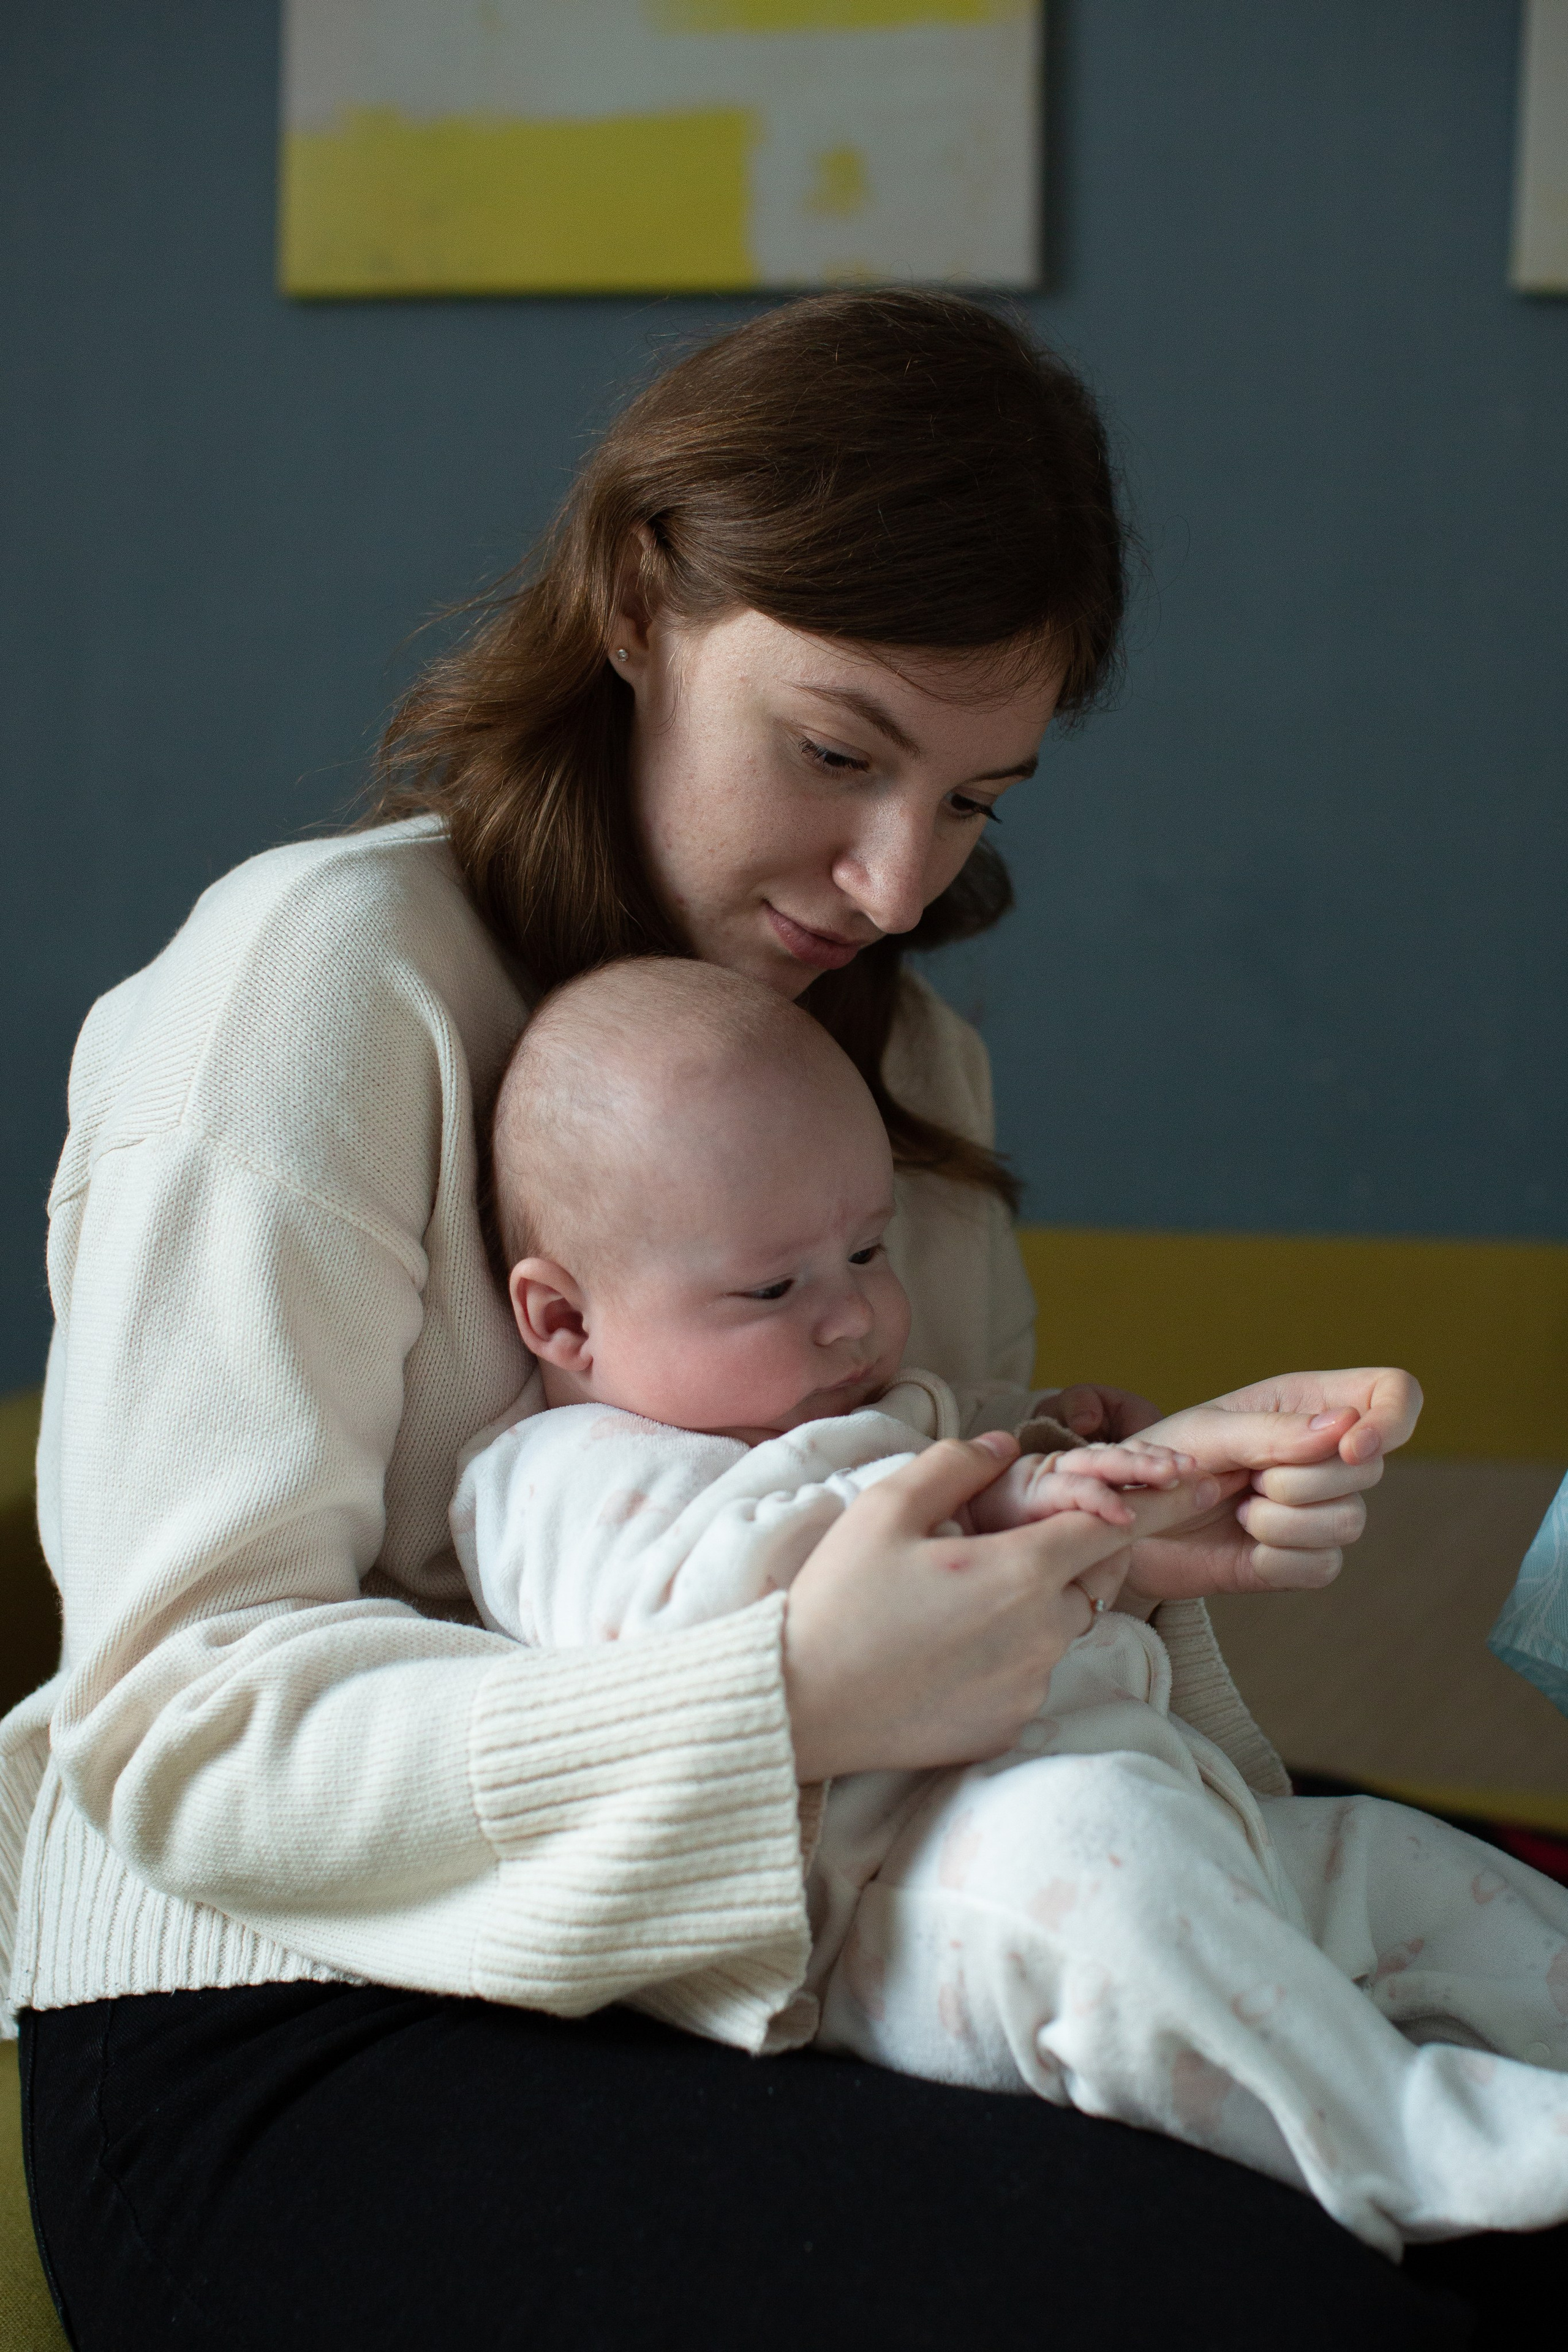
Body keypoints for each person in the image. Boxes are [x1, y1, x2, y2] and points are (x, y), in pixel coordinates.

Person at [2, 290, 1530, 2348]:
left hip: (806, 1939)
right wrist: (789, 1694)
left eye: (975, 800)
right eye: (837, 753)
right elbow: (177, 1733)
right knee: (1284, 2300)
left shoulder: (904, 1067)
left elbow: (905, 1576)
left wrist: (1104, 1534)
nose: (896, 881)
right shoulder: (320, 987)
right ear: (638, 603)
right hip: (301, 2009)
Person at [454, 956, 1568, 2256]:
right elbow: (692, 1635)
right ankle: (1414, 2142)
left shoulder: (884, 1412)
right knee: (1110, 1889)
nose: (851, 1316)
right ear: (564, 1320)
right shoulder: (559, 1477)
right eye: (772, 1288)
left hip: (1169, 1812)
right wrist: (994, 1502)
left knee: (1405, 1867)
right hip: (924, 1894)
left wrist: (1119, 1502)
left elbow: (1020, 1571)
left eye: (866, 1250)